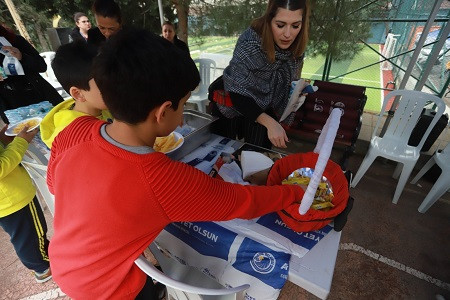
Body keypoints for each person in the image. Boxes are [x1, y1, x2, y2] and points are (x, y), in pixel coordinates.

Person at [47, 27, 307, 299]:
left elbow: (55, 184)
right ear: (161, 112)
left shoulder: (74, 130)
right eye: (183, 105)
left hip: (63, 261)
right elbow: (243, 201)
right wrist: (296, 192)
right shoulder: (161, 178)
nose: (182, 119)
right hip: (107, 288)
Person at [211, 0, 310, 149]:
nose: (288, 34)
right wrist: (270, 123)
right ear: (268, 20)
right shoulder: (250, 43)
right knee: (223, 152)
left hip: (266, 106)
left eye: (295, 26)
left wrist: (295, 92)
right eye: (280, 25)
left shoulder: (297, 49)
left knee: (257, 156)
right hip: (232, 102)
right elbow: (236, 92)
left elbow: (289, 82)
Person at [0, 124, 52, 283]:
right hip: (13, 199)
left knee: (24, 236)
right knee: (33, 236)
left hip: (7, 202)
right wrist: (21, 141)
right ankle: (43, 267)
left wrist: (2, 139)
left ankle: (41, 262)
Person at [40, 41, 111, 149]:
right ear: (78, 94)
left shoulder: (102, 107)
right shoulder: (77, 140)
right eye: (104, 82)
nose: (116, 86)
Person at [0, 24, 63, 123]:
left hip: (41, 97)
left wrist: (22, 57)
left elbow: (41, 66)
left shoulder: (15, 41)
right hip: (13, 108)